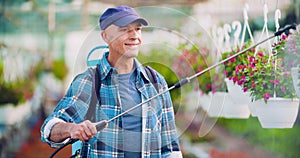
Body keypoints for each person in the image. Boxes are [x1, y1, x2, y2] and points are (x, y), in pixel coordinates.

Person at [41, 5, 182, 157]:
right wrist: (72, 129)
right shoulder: (90, 82)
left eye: (138, 29)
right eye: (125, 29)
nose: (134, 35)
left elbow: (171, 148)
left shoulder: (156, 82)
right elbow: (49, 129)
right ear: (105, 36)